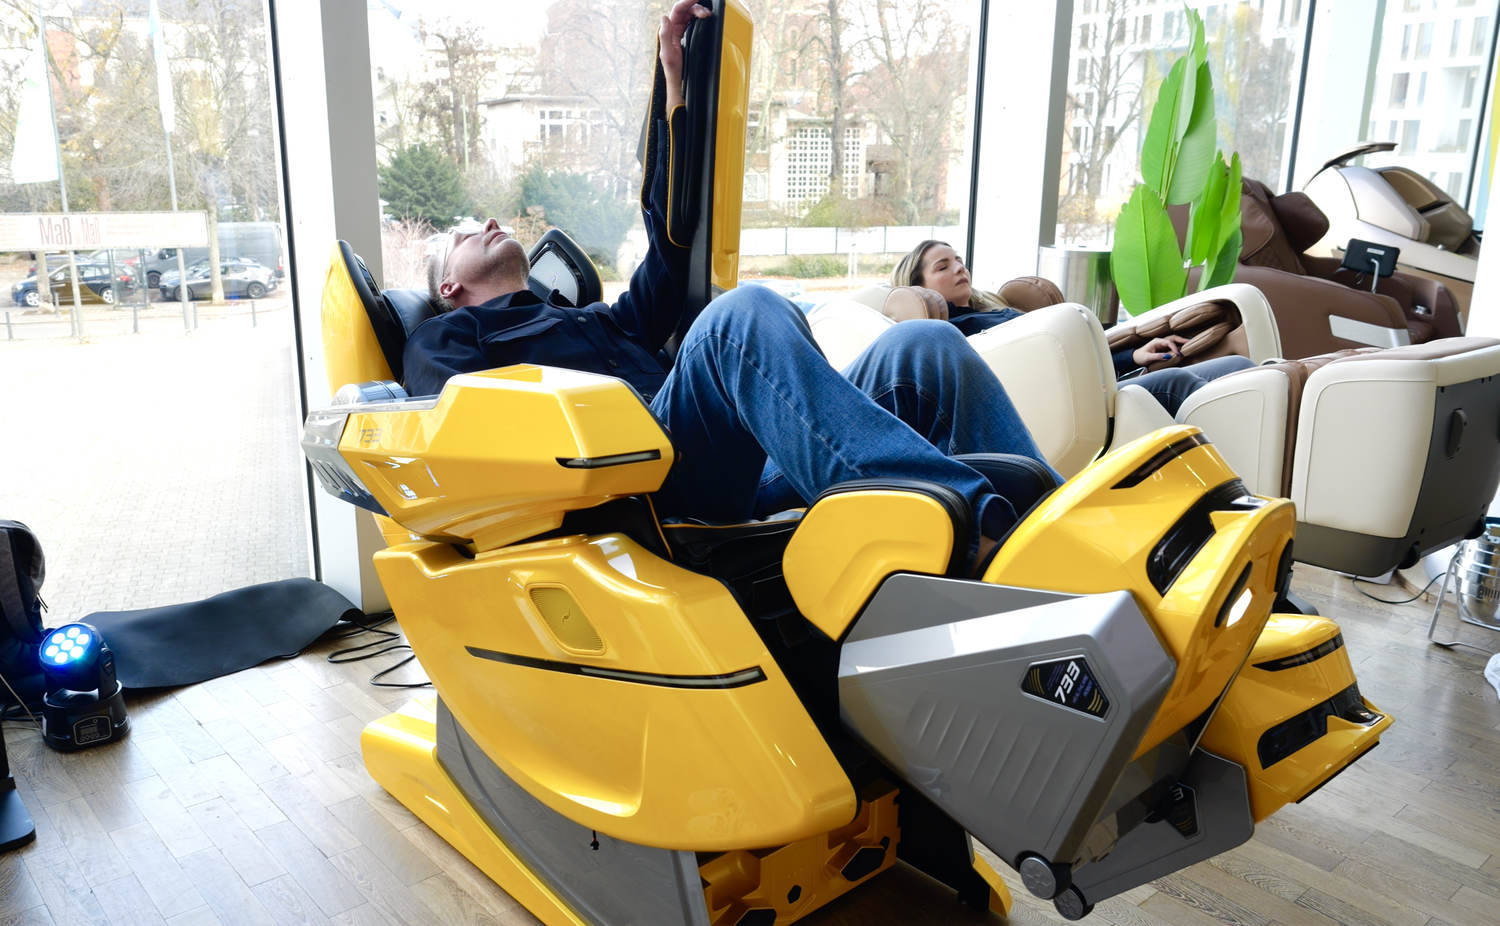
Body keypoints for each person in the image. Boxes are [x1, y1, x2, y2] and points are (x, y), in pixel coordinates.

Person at [402, 0, 1059, 569]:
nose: (489, 223)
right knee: (737, 320)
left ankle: (1057, 529)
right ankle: (964, 529)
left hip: (743, 460)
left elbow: (671, 239)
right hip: (642, 490)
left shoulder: (592, 320)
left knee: (923, 347)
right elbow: (458, 443)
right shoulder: (443, 339)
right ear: (450, 287)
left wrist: (671, 83)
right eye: (466, 235)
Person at [888, 240, 1255, 415]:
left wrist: (1133, 356)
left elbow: (1065, 353)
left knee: (1236, 367)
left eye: (958, 260)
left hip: (1090, 383)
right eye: (943, 266)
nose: (959, 268)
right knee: (1177, 383)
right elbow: (1042, 369)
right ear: (919, 287)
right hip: (1068, 404)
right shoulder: (955, 336)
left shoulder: (995, 311)